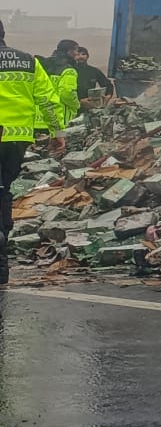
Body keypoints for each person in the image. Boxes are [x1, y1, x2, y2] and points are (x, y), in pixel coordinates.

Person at [0, 19, 64, 288]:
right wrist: (57, 132)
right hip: (16, 139)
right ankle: (2, 260)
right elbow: (47, 100)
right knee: (3, 190)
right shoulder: (27, 61)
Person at [44, 39, 111, 127]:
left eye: (83, 54)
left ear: (88, 56)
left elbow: (107, 84)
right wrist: (79, 103)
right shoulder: (68, 70)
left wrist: (108, 96)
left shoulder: (47, 65)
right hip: (62, 116)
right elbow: (66, 93)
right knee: (62, 138)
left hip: (45, 116)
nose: (78, 55)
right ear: (69, 52)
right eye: (76, 51)